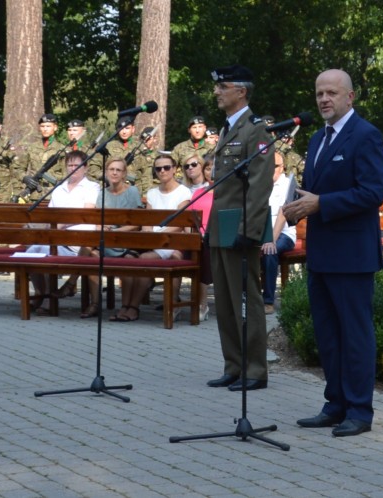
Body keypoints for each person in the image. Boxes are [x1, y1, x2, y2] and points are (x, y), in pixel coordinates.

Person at [282, 69, 383, 437]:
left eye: (331, 93)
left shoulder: (366, 135)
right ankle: (335, 403)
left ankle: (359, 411)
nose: (324, 99)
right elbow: (314, 193)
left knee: (355, 335)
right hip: (322, 253)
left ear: (350, 97)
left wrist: (320, 203)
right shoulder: (316, 139)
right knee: (327, 334)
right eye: (318, 93)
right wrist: (297, 207)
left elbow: (372, 193)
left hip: (353, 255)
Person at [206, 64, 274, 392]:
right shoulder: (227, 128)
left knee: (246, 298)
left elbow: (260, 186)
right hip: (221, 225)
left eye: (224, 87)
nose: (217, 92)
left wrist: (248, 229)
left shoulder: (255, 129)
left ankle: (255, 370)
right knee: (225, 301)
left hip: (241, 228)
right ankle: (233, 365)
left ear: (241, 92)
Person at [109, 155, 191, 322]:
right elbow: (147, 221)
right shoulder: (152, 192)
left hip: (171, 241)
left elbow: (179, 223)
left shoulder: (184, 192)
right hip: (152, 241)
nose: (162, 171)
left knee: (144, 260)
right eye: (158, 168)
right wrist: (149, 235)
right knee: (129, 258)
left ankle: (133, 307)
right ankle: (125, 306)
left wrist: (158, 237)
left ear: (174, 169)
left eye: (166, 167)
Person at [26, 150, 100, 315]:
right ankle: (41, 292)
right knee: (31, 253)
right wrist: (47, 231)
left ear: (85, 168)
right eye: (70, 165)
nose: (73, 168)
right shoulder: (59, 188)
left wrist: (61, 225)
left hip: (79, 241)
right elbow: (51, 216)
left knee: (44, 255)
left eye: (77, 165)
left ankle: (47, 300)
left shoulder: (92, 187)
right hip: (57, 239)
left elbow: (87, 213)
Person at [76, 158, 142, 319]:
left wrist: (114, 231)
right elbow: (98, 222)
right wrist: (102, 228)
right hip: (107, 242)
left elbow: (137, 223)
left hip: (126, 241)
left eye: (118, 170)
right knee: (91, 256)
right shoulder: (102, 194)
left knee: (127, 262)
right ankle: (95, 303)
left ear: (124, 173)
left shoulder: (132, 191)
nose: (114, 172)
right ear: (106, 173)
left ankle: (126, 307)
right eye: (111, 169)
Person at [261, 152, 296, 315]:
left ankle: (268, 301)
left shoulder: (288, 184)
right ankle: (247, 297)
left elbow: (283, 214)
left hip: (284, 233)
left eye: (274, 166)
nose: (270, 169)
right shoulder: (260, 185)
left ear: (282, 168)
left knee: (270, 251)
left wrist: (271, 240)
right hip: (262, 231)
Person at [182, 152, 213, 321]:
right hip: (197, 237)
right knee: (185, 250)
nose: (211, 172)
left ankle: (202, 305)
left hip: (215, 236)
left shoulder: (227, 193)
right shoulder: (198, 192)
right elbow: (188, 219)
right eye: (208, 168)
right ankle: (176, 303)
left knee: (204, 252)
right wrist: (191, 236)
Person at [19, 114, 66, 202]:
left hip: (54, 195)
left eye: (48, 126)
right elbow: (18, 168)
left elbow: (67, 173)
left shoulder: (62, 150)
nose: (45, 129)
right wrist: (25, 177)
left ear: (55, 127)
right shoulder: (31, 148)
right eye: (42, 126)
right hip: (34, 195)